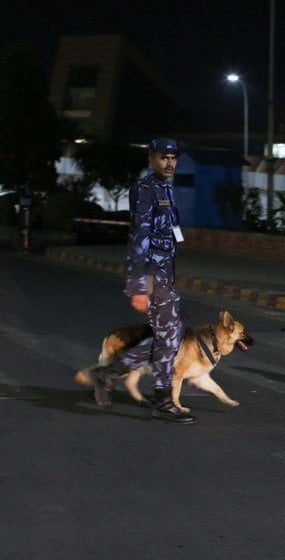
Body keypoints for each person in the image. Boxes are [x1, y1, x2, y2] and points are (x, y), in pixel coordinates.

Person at [88, 137, 194, 424]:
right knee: (169, 337)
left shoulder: (165, 189)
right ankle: (162, 399)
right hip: (151, 276)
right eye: (163, 157)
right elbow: (138, 238)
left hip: (164, 273)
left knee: (168, 335)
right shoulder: (145, 190)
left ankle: (107, 374)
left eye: (173, 158)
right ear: (151, 159)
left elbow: (171, 228)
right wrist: (139, 287)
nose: (169, 163)